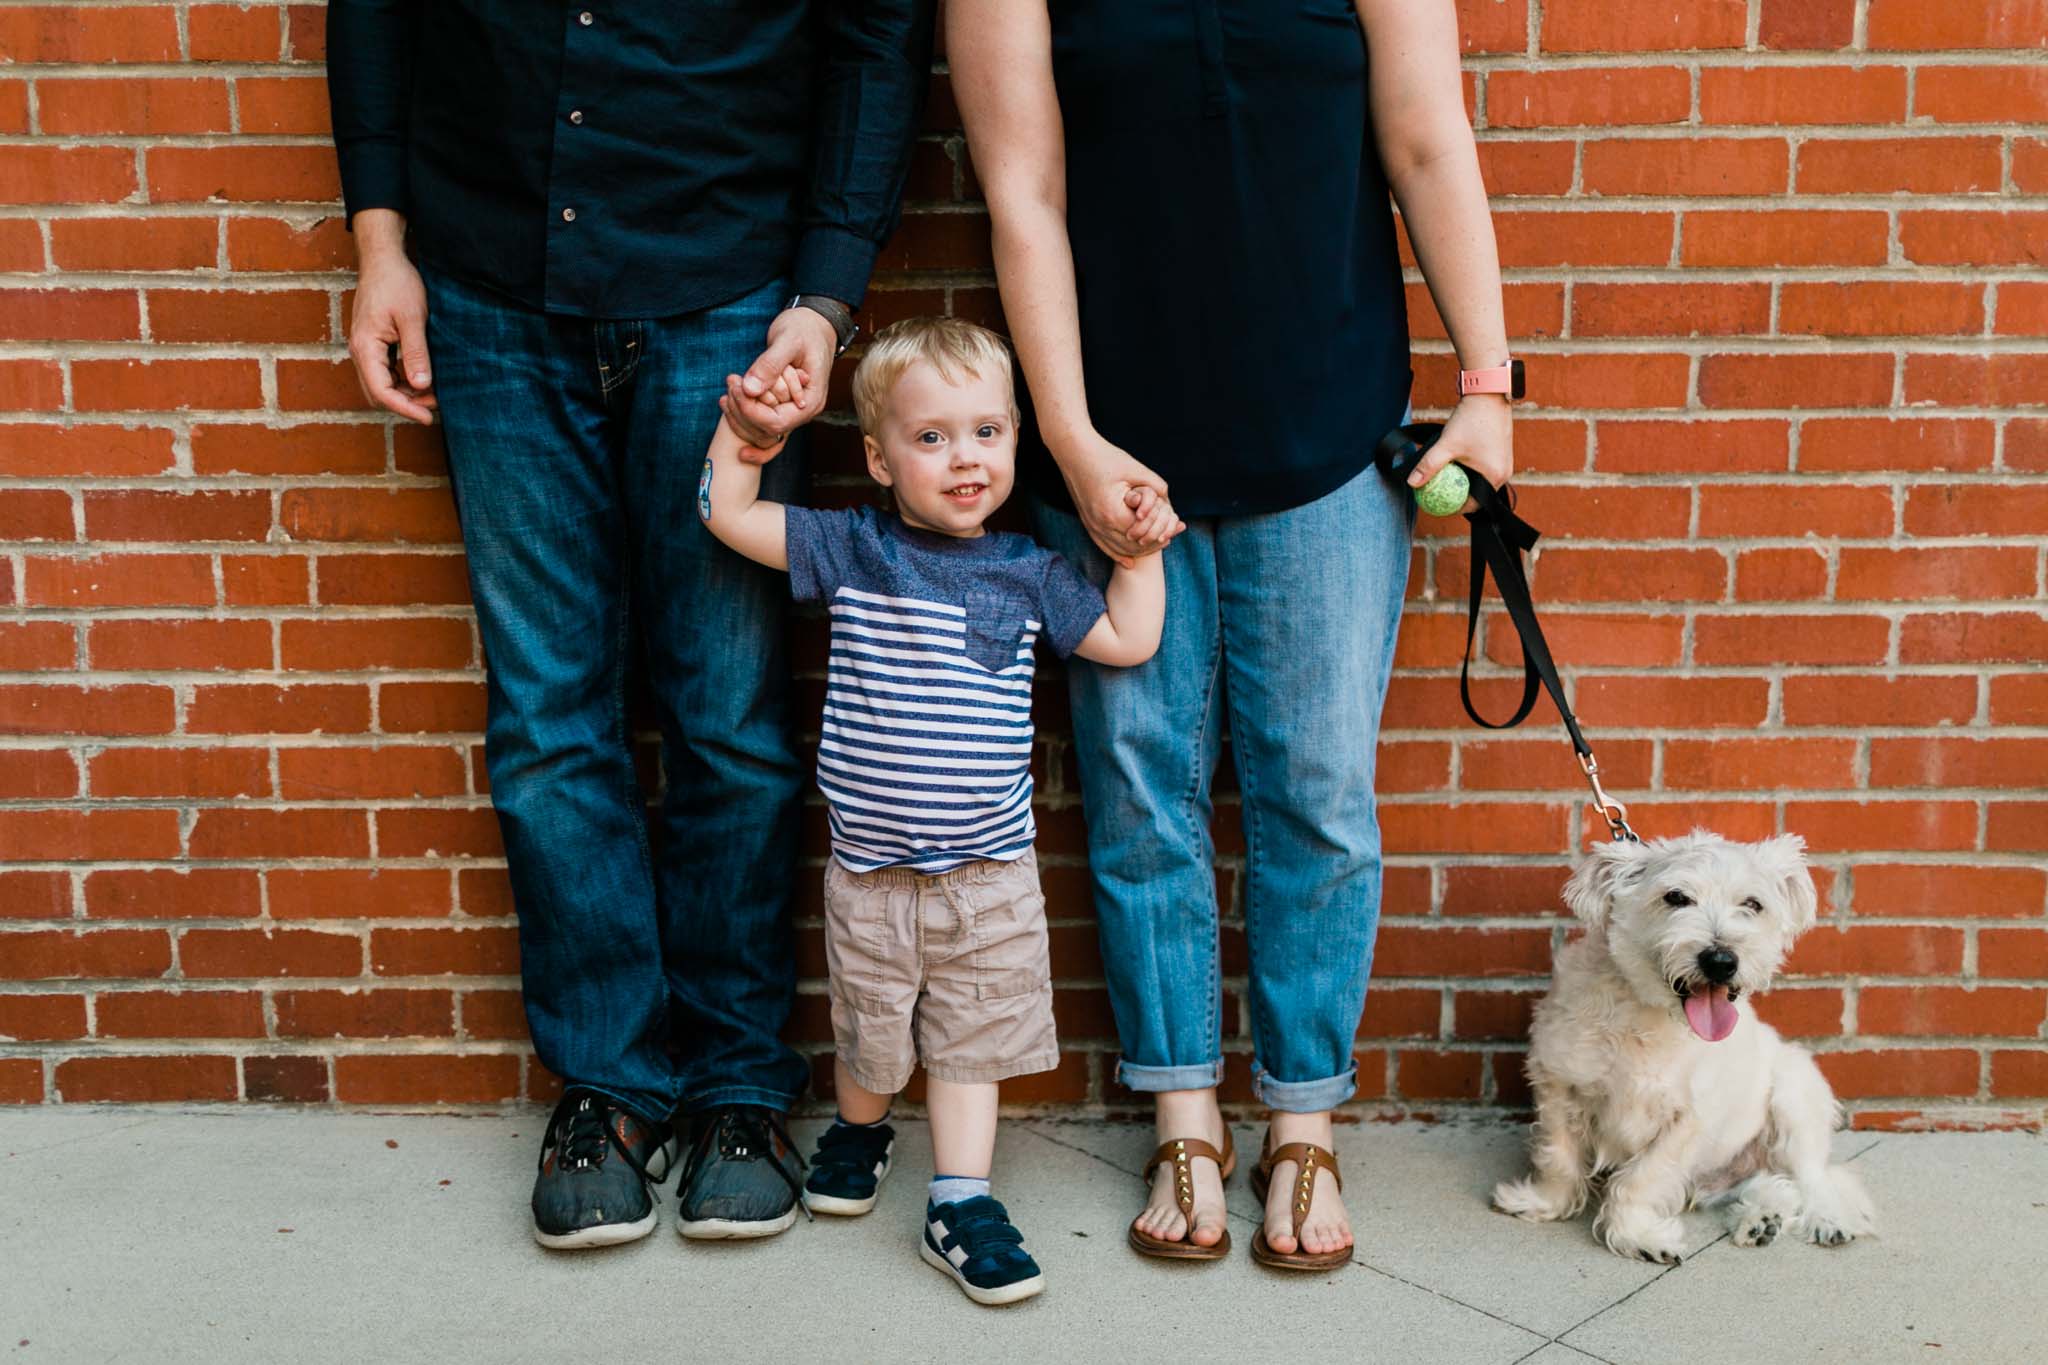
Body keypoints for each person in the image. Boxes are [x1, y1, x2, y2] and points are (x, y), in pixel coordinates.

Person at [325, 1, 936, 1250]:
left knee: (729, 717)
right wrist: (380, 246)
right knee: (549, 717)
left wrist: (823, 299)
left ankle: (734, 1086)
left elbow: (875, 43)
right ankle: (605, 1087)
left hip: (728, 288)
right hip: (490, 282)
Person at [951, 0, 1517, 1268]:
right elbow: (1022, 192)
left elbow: (1427, 140)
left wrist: (1487, 388)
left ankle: (1302, 1125)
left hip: (1324, 429)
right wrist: (1070, 438)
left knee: (1316, 791)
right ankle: (1184, 1117)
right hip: (1112, 442)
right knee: (1138, 785)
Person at [696, 317, 1171, 1303]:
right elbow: (728, 517)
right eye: (932, 437)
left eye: (987, 433)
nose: (965, 457)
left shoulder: (1032, 571)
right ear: (877, 458)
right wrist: (748, 442)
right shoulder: (853, 548)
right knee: (871, 1031)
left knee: (968, 1040)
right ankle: (860, 1129)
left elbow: (1125, 641)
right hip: (869, 866)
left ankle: (958, 1201)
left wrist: (1136, 550)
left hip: (988, 875)